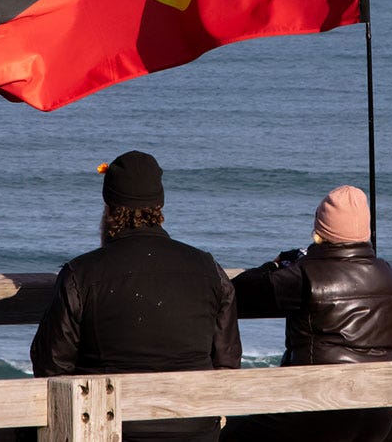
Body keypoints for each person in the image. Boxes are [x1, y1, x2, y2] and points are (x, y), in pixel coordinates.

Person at [30, 150, 242, 442]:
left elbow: (50, 365)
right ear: (159, 206)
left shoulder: (81, 274)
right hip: (196, 430)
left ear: (109, 209)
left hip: (110, 430)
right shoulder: (208, 269)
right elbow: (228, 360)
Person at [221, 185, 392, 442]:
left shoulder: (305, 276)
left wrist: (276, 264)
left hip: (317, 408)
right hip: (378, 412)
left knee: (228, 435)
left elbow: (239, 292)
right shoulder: (391, 274)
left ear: (320, 230)